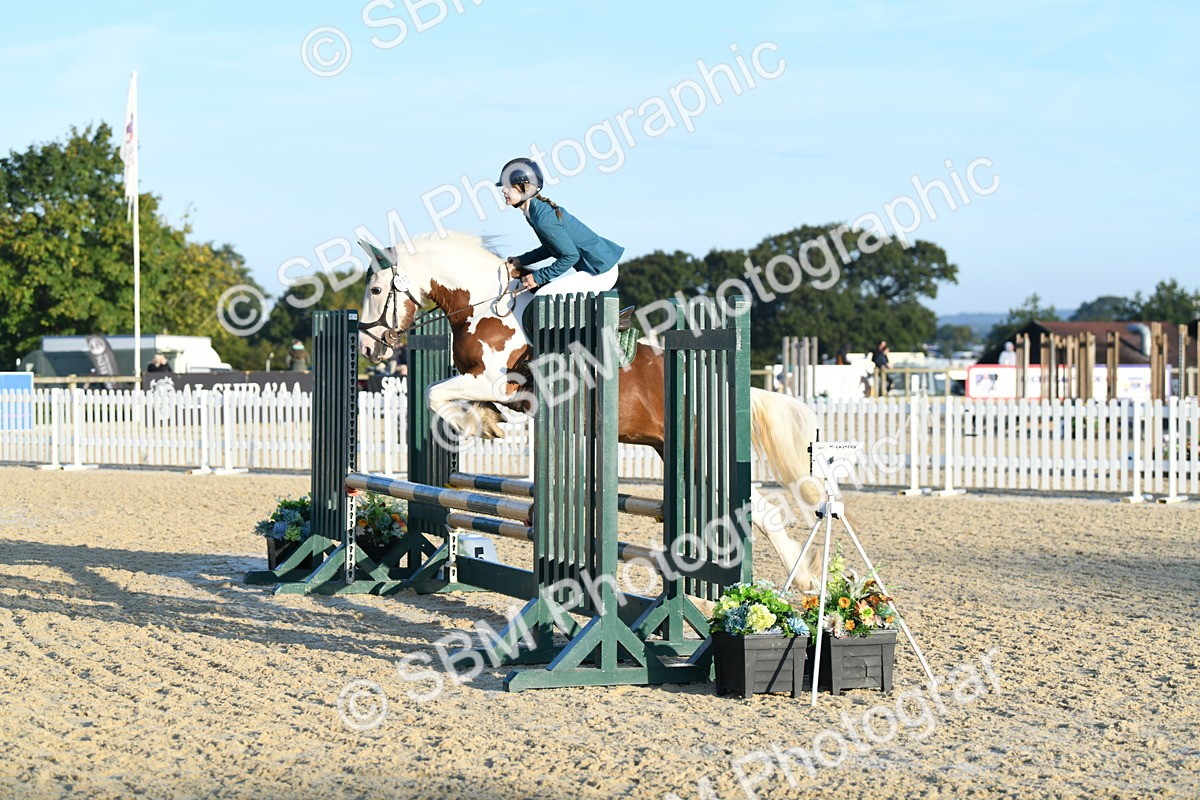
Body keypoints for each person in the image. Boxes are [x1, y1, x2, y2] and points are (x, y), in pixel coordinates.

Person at [496, 158, 624, 327]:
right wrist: (522, 260)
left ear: (525, 188)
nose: (504, 190)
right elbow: (551, 248)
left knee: (546, 293)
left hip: (601, 270)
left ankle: (611, 322)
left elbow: (571, 256)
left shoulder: (542, 217)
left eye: (509, 186)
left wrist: (538, 277)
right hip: (597, 267)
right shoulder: (534, 211)